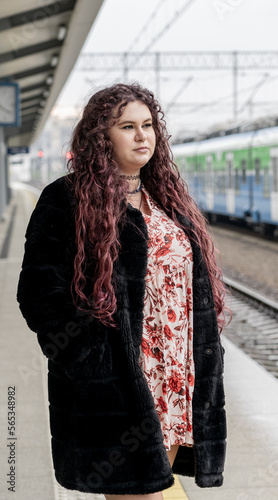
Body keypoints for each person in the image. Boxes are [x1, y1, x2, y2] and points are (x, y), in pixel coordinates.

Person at [17, 83, 228, 499]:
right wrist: (91, 363)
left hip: (176, 383)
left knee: (163, 488)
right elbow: (39, 294)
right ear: (101, 137)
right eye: (127, 126)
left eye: (148, 125)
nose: (142, 136)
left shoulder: (167, 199)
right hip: (120, 386)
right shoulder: (66, 199)